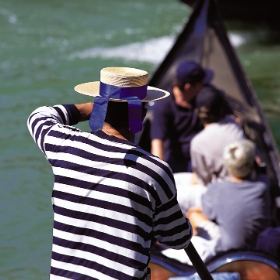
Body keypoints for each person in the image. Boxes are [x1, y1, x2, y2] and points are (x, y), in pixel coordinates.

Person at [27, 67, 192, 280]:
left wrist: (91, 107)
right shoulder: (154, 170)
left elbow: (39, 116)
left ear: (100, 106)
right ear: (140, 114)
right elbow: (177, 239)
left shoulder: (64, 146)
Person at [160, 139, 271, 265]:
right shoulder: (263, 185)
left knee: (194, 215)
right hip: (255, 248)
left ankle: (159, 247)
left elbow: (204, 211)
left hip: (223, 252)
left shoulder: (217, 190)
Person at [176, 86, 245, 214]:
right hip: (237, 187)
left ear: (197, 111)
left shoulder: (199, 142)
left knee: (168, 196)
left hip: (221, 195)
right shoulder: (234, 125)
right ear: (221, 109)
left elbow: (204, 181)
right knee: (174, 181)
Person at [150, 60, 214, 173]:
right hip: (180, 162)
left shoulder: (205, 96)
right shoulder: (163, 107)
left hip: (206, 154)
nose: (205, 86)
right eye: (201, 83)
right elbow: (157, 146)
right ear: (189, 87)